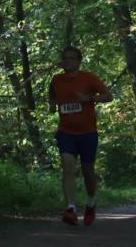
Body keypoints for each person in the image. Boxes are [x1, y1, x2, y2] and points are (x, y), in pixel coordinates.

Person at [47, 46, 112, 226]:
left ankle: (91, 202)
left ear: (78, 61)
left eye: (72, 58)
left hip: (88, 133)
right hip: (66, 132)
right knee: (67, 166)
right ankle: (71, 208)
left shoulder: (88, 78)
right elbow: (51, 97)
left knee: (87, 171)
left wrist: (89, 99)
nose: (68, 61)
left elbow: (108, 96)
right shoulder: (56, 80)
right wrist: (52, 106)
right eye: (65, 58)